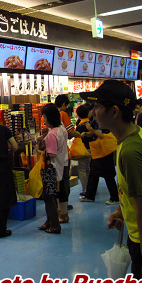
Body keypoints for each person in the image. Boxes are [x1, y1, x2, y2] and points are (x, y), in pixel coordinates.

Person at [80, 80, 142, 282]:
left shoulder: (131, 151)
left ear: (115, 112)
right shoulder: (132, 135)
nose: (92, 112)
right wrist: (122, 211)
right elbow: (133, 190)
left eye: (97, 107)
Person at [36, 103, 68, 234]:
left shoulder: (51, 134)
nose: (43, 120)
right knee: (52, 195)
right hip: (63, 164)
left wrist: (40, 149)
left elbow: (52, 153)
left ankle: (54, 225)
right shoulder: (62, 129)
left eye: (44, 117)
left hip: (51, 169)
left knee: (49, 197)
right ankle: (49, 222)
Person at [79, 121, 119, 205]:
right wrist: (87, 133)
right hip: (99, 150)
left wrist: (90, 129)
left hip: (105, 151)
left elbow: (101, 135)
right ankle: (90, 195)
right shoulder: (95, 121)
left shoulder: (105, 122)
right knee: (93, 173)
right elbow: (95, 133)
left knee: (108, 174)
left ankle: (115, 197)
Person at [54, 95, 81, 216]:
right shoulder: (63, 114)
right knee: (64, 181)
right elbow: (70, 132)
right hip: (64, 154)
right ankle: (63, 207)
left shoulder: (52, 115)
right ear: (64, 104)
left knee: (56, 181)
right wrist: (80, 134)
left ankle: (58, 206)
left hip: (53, 156)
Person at [74, 104, 93, 195]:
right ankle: (90, 188)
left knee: (81, 169)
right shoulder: (91, 123)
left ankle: (85, 190)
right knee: (88, 168)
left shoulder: (79, 126)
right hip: (91, 149)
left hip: (82, 150)